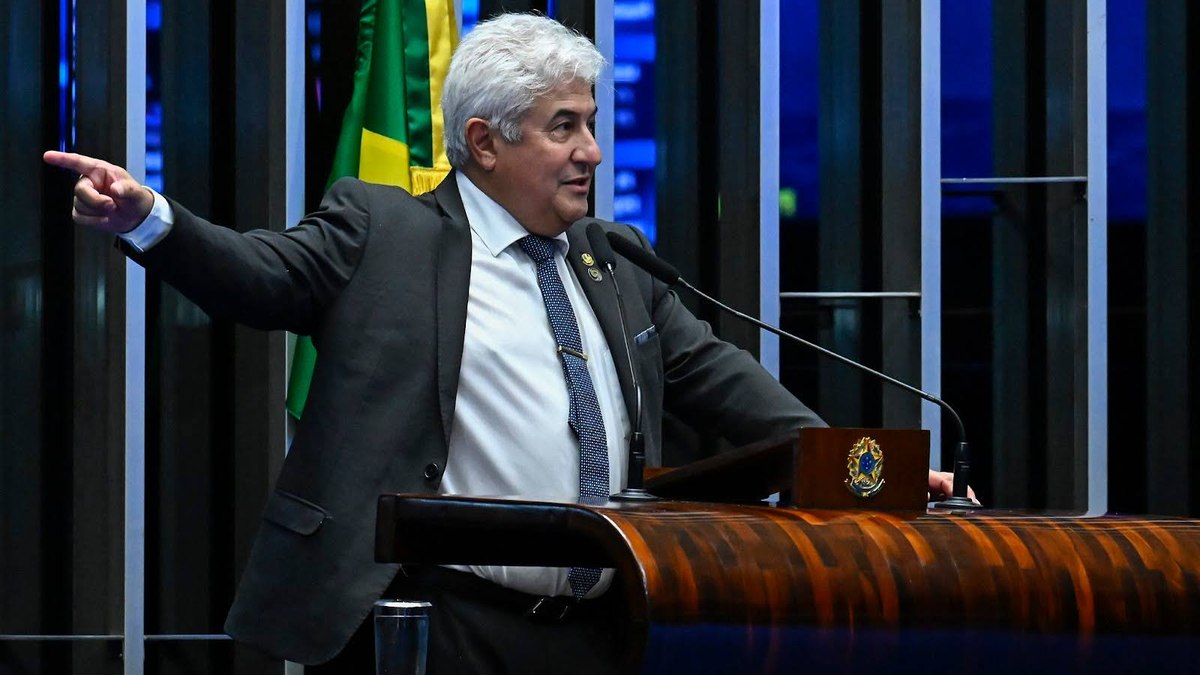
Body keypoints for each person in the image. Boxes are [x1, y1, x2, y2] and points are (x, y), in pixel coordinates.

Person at [44, 12, 971, 674]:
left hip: (610, 624)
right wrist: (148, 217)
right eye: (564, 127)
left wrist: (865, 472)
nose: (591, 151)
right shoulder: (385, 232)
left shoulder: (614, 257)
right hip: (444, 623)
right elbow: (255, 275)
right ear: (484, 143)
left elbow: (722, 379)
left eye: (592, 123)